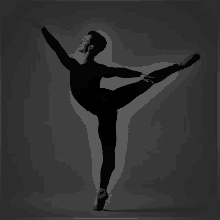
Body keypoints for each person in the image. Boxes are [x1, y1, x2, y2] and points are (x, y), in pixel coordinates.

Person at [25, 16, 201, 211]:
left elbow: (115, 71)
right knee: (142, 87)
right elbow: (116, 71)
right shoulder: (88, 67)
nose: (81, 41)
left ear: (91, 47)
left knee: (140, 88)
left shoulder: (80, 67)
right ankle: (102, 190)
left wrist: (41, 28)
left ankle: (102, 191)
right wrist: (138, 74)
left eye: (85, 40)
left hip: (106, 104)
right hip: (107, 105)